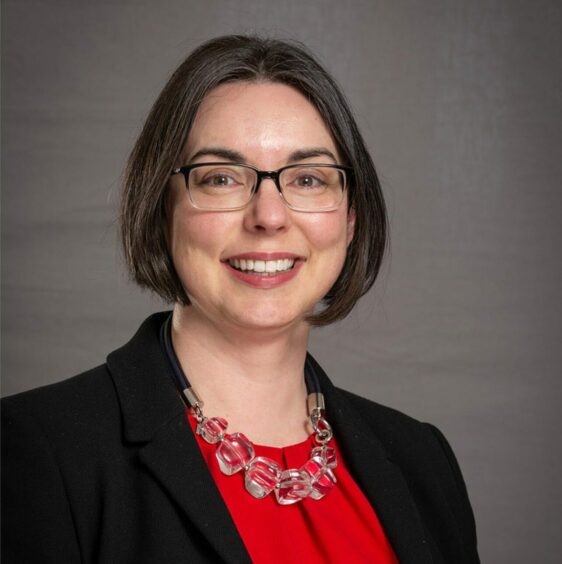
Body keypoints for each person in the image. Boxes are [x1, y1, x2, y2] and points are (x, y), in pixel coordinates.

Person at [1, 35, 479, 563]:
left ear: (349, 220)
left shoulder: (421, 460)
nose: (269, 216)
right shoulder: (35, 450)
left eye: (308, 179)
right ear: (163, 209)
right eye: (222, 178)